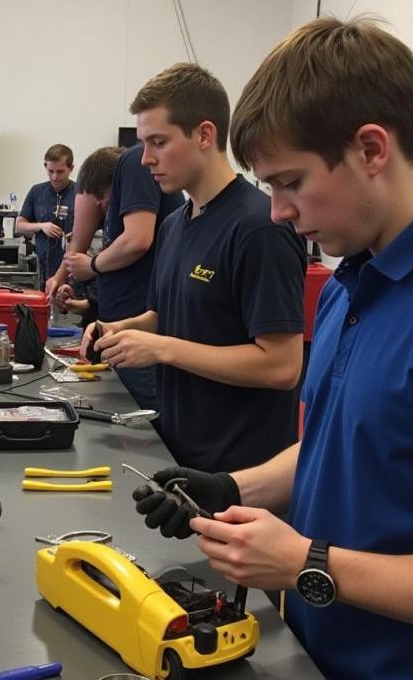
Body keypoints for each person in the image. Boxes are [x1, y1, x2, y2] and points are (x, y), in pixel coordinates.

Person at [133, 18, 413, 680]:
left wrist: (307, 562)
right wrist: (230, 484)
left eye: (291, 182)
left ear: (372, 148)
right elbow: (334, 449)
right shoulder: (351, 283)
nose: (276, 212)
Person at [84, 63, 305, 470]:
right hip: (180, 452)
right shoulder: (174, 225)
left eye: (158, 142)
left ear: (205, 134)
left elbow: (282, 366)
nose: (146, 159)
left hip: (240, 473)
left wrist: (162, 349)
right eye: (143, 144)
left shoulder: (258, 228)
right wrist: (121, 330)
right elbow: (166, 316)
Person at [48, 142, 181, 410]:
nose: (101, 204)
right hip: (124, 330)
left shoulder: (133, 162)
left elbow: (138, 242)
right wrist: (88, 306)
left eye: (103, 197)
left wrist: (91, 266)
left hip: (139, 340)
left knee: (142, 433)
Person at [15, 143, 77, 288]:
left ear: (71, 168)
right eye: (51, 171)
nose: (55, 177)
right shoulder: (37, 192)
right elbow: (19, 226)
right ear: (45, 167)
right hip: (42, 268)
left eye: (60, 172)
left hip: (72, 269)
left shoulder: (80, 193)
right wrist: (42, 226)